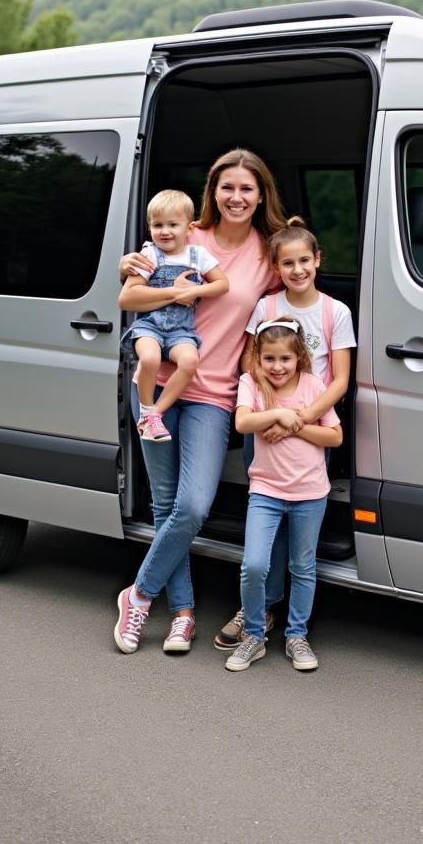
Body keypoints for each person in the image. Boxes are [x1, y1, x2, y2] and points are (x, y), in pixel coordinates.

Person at [113, 148, 286, 654]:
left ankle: (138, 594)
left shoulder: (266, 253)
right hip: (155, 387)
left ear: (260, 196)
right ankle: (183, 614)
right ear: (212, 192)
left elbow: (279, 318)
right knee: (167, 503)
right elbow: (131, 292)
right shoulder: (185, 235)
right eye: (226, 187)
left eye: (246, 189)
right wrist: (145, 275)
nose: (236, 197)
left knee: (192, 505)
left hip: (213, 394)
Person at [213, 218, 356, 649]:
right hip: (266, 422)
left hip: (311, 422)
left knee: (299, 514)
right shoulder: (267, 307)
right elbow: (248, 365)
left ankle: (288, 618)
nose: (297, 270)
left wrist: (301, 417)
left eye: (304, 261)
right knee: (266, 519)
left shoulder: (335, 312)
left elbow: (340, 380)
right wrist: (274, 413)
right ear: (277, 268)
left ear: (318, 261)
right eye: (287, 263)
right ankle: (261, 607)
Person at [225, 317, 342, 672]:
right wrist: (278, 412)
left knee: (302, 566)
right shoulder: (251, 383)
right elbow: (243, 423)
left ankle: (296, 635)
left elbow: (334, 437)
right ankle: (255, 636)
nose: (277, 367)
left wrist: (295, 425)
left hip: (310, 492)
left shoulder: (313, 384)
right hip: (266, 490)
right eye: (270, 359)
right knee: (254, 564)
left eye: (285, 359)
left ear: (299, 359)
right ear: (258, 358)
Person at [119, 189, 229, 443]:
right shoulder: (148, 255)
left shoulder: (197, 256)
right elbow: (126, 298)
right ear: (149, 227)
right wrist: (175, 292)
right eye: (157, 225)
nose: (165, 231)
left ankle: (153, 414)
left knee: (190, 361)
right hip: (150, 326)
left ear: (189, 228)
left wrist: (196, 289)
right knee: (149, 358)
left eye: (172, 225)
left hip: (181, 330)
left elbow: (222, 285)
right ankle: (146, 408)